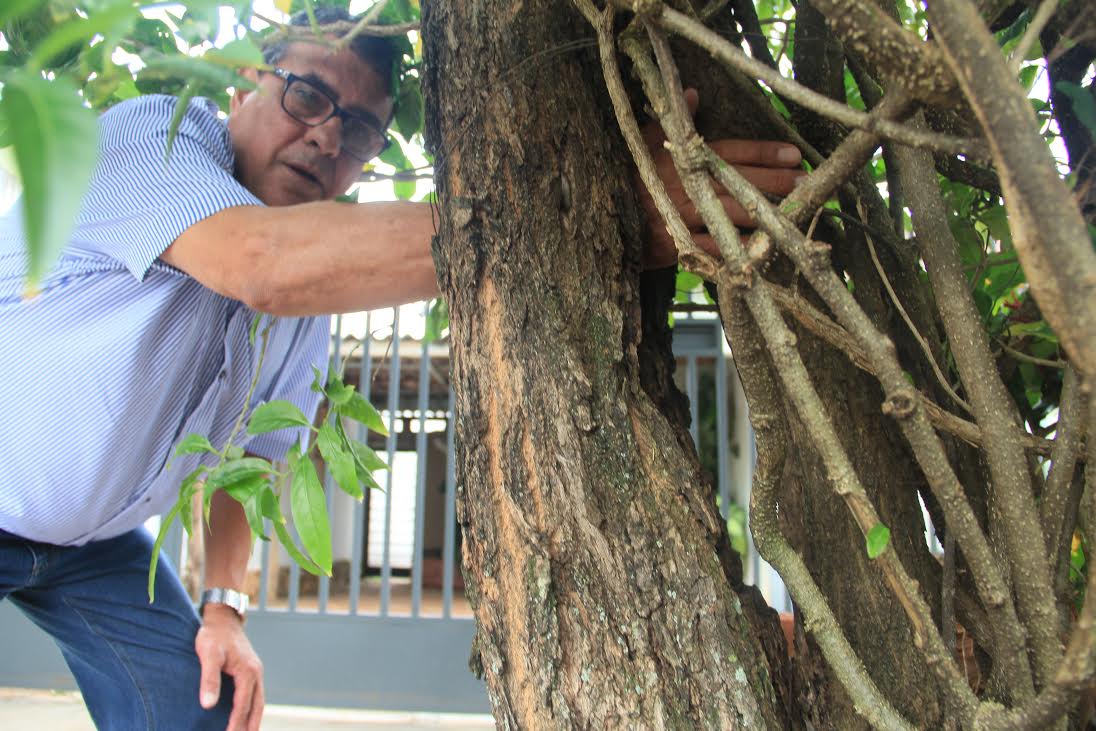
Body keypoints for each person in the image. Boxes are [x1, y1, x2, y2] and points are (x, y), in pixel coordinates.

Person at [0, 8, 804, 730]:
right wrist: (601, 210)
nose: (326, 137)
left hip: (92, 547)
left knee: (198, 707)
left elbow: (249, 459)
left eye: (359, 129)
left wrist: (225, 607)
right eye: (307, 95)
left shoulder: (308, 297)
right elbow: (258, 261)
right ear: (247, 81)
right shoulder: (155, 136)